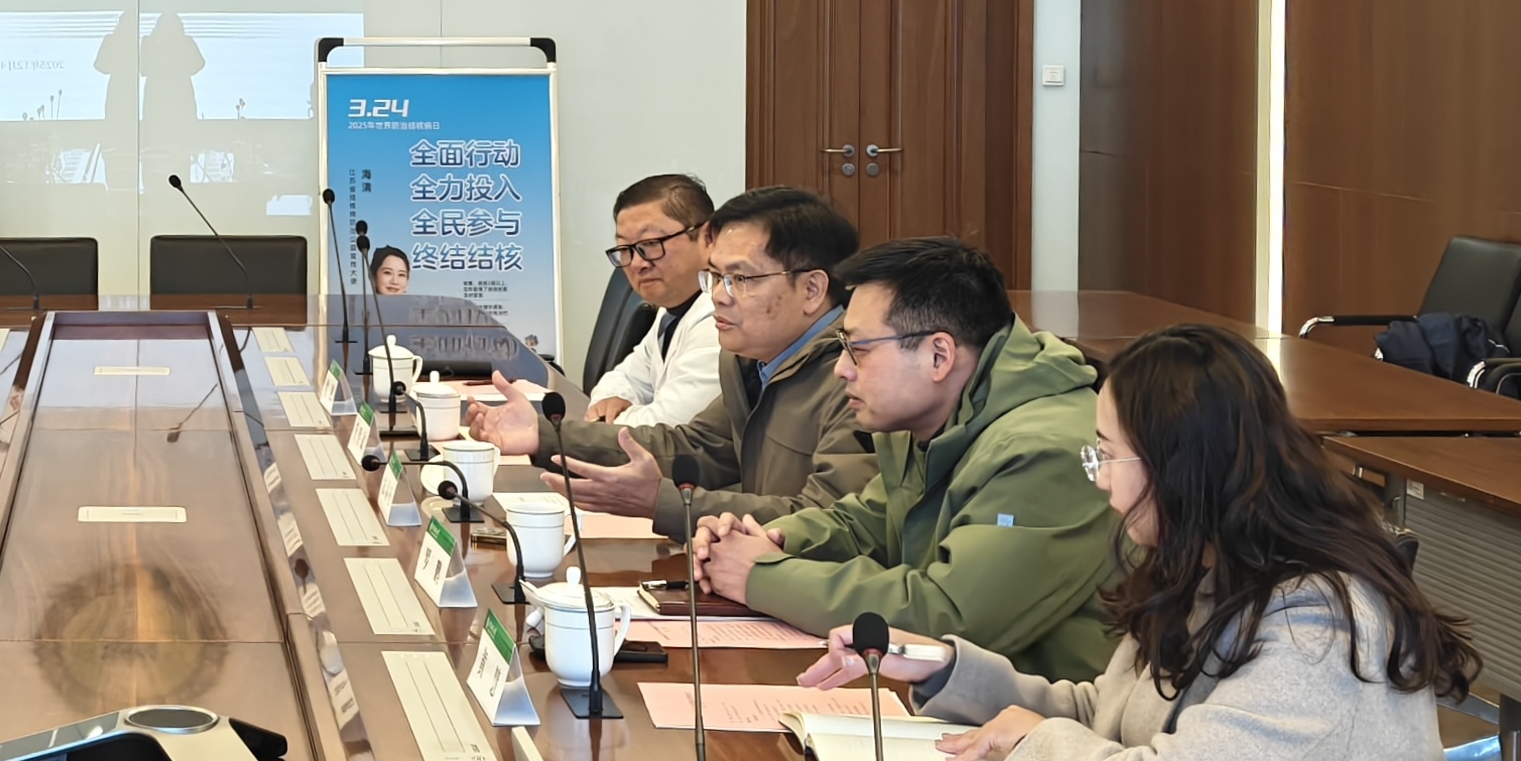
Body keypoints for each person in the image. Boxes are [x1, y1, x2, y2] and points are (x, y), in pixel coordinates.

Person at [799, 325, 1490, 761]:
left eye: (1107, 454)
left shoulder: (1319, 628)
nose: (1097, 477)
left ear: (1177, 464)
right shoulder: (1206, 565)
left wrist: (1034, 744)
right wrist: (949, 669)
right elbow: (1112, 717)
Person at [693, 236, 1116, 677]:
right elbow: (864, 525)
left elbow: (948, 616)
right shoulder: (938, 416)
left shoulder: (1046, 451)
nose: (841, 369)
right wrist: (766, 540)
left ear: (938, 356)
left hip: (1044, 712)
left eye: (859, 349)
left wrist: (760, 575)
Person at [469, 186, 872, 540]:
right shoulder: (750, 362)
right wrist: (545, 435)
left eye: (740, 279)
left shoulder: (858, 379)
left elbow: (829, 522)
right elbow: (695, 447)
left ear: (812, 289)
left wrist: (659, 502)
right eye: (715, 277)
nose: (719, 296)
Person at [583, 174, 722, 427]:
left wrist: (606, 420)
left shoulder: (722, 316)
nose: (638, 263)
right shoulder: (671, 311)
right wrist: (609, 403)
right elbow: (623, 378)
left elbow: (667, 426)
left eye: (650, 244)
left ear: (707, 237)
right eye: (625, 249)